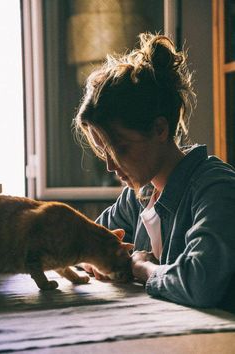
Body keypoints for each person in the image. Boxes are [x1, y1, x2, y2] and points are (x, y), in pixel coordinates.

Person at [73, 32, 235, 309]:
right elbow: (82, 242)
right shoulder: (138, 195)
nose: (111, 166)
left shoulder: (216, 188)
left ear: (160, 129)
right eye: (104, 153)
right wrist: (94, 256)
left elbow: (201, 282)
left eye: (120, 149)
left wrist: (143, 269)